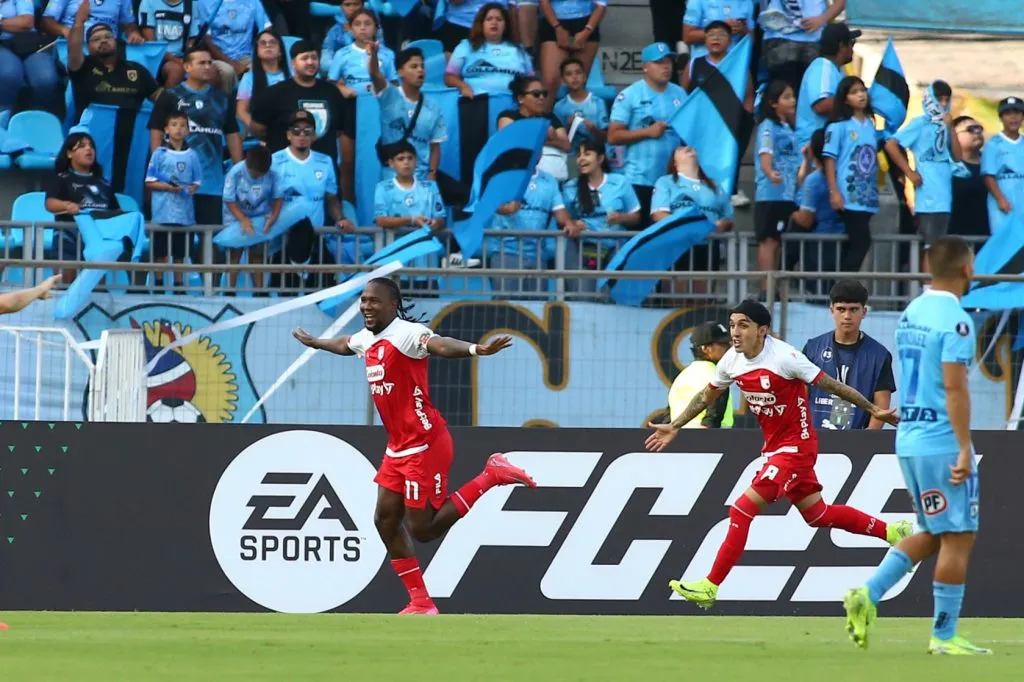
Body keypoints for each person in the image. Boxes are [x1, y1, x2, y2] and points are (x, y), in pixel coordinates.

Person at [292, 277, 537, 615]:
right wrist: (317, 342)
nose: (366, 306)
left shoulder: (407, 334)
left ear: (393, 305)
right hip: (398, 447)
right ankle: (421, 602)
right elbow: (345, 344)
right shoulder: (367, 338)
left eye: (374, 301)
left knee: (423, 529)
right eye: (363, 300)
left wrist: (475, 349)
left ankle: (491, 475)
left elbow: (440, 345)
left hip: (425, 444)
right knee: (385, 520)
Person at [644, 299, 911, 609]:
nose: (735, 332)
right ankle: (893, 531)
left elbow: (834, 386)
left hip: (796, 449)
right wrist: (675, 425)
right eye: (732, 325)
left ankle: (710, 585)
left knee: (741, 509)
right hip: (776, 448)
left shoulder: (786, 358)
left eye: (743, 325)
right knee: (818, 515)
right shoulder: (731, 360)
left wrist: (874, 409)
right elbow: (708, 393)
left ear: (762, 330)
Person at [843, 236, 991, 655]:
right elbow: (953, 387)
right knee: (959, 536)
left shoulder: (912, 312)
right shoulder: (956, 320)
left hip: (909, 436)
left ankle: (867, 595)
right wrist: (964, 447)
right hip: (941, 441)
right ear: (967, 269)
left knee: (931, 531)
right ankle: (944, 637)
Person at [148, 45, 244, 228]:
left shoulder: (222, 99)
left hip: (212, 185)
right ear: (187, 67)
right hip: (176, 183)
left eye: (210, 63)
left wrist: (240, 170)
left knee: (210, 241)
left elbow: (232, 135)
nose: (208, 66)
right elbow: (156, 132)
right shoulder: (170, 96)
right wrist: (160, 169)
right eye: (202, 63)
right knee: (176, 241)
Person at [884, 81, 963, 266]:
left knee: (942, 245)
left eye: (946, 99)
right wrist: (909, 172)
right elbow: (891, 144)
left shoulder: (946, 124)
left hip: (945, 195)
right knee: (931, 246)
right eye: (939, 99)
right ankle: (928, 285)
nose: (943, 104)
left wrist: (951, 128)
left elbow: (958, 156)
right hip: (928, 197)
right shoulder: (920, 124)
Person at [607, 42, 685, 226]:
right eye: (659, 62)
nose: (666, 66)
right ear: (645, 67)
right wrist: (647, 132)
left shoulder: (680, 94)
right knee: (640, 233)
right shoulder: (630, 95)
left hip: (671, 180)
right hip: (639, 179)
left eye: (668, 61)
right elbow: (613, 136)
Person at [802, 280, 896, 430]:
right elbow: (801, 397)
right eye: (841, 309)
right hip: (813, 438)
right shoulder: (812, 348)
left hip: (857, 441)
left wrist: (866, 440)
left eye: (853, 309)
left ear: (864, 312)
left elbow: (881, 405)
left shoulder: (879, 355)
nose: (847, 316)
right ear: (831, 310)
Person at [250, 40, 350, 174]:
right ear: (293, 63)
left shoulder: (332, 92)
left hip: (322, 171)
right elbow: (258, 129)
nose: (310, 62)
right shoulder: (274, 93)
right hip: (284, 171)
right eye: (304, 58)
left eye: (314, 58)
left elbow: (338, 130)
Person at [650, 145, 732, 293]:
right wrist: (688, 228)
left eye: (690, 146)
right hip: (677, 245)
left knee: (701, 303)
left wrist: (722, 225)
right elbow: (659, 214)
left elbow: (728, 217)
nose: (688, 147)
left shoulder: (715, 185)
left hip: (706, 247)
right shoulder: (666, 182)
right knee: (676, 300)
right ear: (674, 162)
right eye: (681, 148)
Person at [561, 138, 641, 290]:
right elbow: (566, 218)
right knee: (584, 295)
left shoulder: (620, 182)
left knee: (610, 296)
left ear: (600, 158)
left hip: (615, 248)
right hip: (585, 248)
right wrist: (573, 224)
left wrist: (621, 217)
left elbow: (636, 217)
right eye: (578, 155)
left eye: (587, 154)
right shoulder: (570, 187)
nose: (581, 159)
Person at [45, 131, 121, 281]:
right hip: (68, 239)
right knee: (67, 283)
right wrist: (67, 205)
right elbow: (50, 203)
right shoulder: (61, 179)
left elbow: (115, 209)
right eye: (82, 146)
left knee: (97, 286)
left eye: (91, 146)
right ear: (69, 153)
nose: (89, 149)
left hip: (98, 240)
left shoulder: (103, 183)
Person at [487, 159, 571, 295]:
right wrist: (504, 208)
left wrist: (569, 224)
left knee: (536, 312)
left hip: (538, 258)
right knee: (507, 311)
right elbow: (487, 205)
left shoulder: (549, 181)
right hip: (506, 255)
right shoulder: (503, 177)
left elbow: (560, 213)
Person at [823, 75, 879, 274]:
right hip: (848, 193)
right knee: (861, 242)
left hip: (868, 194)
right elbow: (829, 159)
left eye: (862, 90)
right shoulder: (838, 126)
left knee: (853, 244)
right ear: (845, 98)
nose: (861, 95)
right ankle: (843, 288)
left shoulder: (871, 126)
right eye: (854, 92)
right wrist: (834, 191)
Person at [67, 2, 161, 116]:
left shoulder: (136, 69)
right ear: (88, 47)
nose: (103, 41)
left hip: (129, 131)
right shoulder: (82, 68)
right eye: (96, 39)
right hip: (89, 132)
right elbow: (74, 48)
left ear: (116, 42)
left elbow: (160, 97)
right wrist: (79, 22)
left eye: (108, 37)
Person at [373, 47, 447, 182]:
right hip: (392, 176)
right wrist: (373, 53)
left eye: (422, 66)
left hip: (421, 177)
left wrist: (432, 174)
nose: (420, 70)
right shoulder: (389, 96)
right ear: (400, 72)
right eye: (414, 66)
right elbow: (374, 73)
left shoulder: (433, 107)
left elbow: (435, 146)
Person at [144, 110, 202, 284]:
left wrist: (191, 188)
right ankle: (159, 283)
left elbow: (197, 181)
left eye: (183, 125)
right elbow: (150, 182)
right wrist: (169, 188)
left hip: (184, 213)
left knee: (180, 253)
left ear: (188, 130)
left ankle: (179, 284)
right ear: (166, 129)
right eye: (174, 125)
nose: (178, 129)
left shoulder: (193, 155)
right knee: (160, 252)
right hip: (162, 212)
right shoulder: (159, 154)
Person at [753, 80, 799, 284]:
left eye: (793, 96)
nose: (792, 101)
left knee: (778, 241)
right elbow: (765, 155)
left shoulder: (788, 127)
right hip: (770, 194)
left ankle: (774, 287)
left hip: (787, 193)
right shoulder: (767, 127)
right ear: (773, 103)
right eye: (786, 97)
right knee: (768, 240)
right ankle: (766, 288)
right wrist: (769, 172)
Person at [221, 146, 283, 290]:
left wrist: (274, 216)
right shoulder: (235, 172)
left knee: (258, 256)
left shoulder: (274, 174)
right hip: (235, 216)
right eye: (255, 174)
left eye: (262, 174)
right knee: (234, 255)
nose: (258, 177)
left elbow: (279, 197)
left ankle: (259, 290)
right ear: (247, 165)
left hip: (260, 216)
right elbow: (229, 200)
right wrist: (242, 220)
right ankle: (230, 290)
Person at [760, 0, 847, 97]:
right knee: (784, 94)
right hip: (781, 39)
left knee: (810, 93)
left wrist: (821, 20)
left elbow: (841, 2)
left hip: (811, 39)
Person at [444, 4, 533, 97]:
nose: (494, 22)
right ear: (481, 24)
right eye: (489, 19)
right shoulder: (465, 46)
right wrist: (463, 87)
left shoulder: (518, 49)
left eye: (499, 19)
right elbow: (450, 77)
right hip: (477, 102)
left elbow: (531, 81)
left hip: (513, 103)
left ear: (505, 25)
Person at [795, 22, 858, 150]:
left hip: (827, 144)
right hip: (813, 148)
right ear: (842, 46)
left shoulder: (835, 70)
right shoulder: (822, 67)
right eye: (851, 43)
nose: (853, 48)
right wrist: (852, 99)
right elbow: (820, 105)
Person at [789, 127, 842, 276]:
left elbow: (806, 219)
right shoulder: (842, 175)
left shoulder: (816, 180)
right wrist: (807, 161)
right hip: (840, 238)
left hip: (821, 244)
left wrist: (788, 211)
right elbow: (802, 184)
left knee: (817, 291)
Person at [497, 75, 571, 180]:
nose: (541, 97)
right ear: (520, 98)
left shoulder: (550, 117)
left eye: (544, 94)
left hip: (552, 176)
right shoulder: (508, 117)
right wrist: (545, 137)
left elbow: (566, 145)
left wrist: (548, 140)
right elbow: (508, 143)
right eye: (536, 94)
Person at [536, 0, 605, 112]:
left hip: (587, 22)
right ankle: (542, 121)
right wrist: (558, 28)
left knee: (578, 81)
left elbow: (601, 5)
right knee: (549, 82)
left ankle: (576, 123)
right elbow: (544, 2)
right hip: (554, 20)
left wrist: (586, 32)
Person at [0, 0, 62, 115]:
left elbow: (27, 22)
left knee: (46, 79)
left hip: (31, 44)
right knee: (9, 75)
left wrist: (1, 23)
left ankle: (39, 119)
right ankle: (4, 117)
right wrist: (10, 23)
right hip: (3, 45)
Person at [197, 0, 271, 94]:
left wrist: (258, 56)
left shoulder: (253, 2)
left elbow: (266, 29)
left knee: (261, 70)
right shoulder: (204, 3)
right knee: (227, 71)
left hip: (246, 56)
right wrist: (232, 63)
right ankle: (226, 107)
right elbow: (206, 40)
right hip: (217, 58)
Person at [667, 321, 733, 428]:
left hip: (678, 437)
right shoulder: (717, 375)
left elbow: (668, 415)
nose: (729, 348)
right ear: (705, 348)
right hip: (712, 438)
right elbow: (713, 418)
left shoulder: (681, 377)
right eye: (723, 344)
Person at [373, 141, 445, 232]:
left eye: (410, 158)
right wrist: (412, 220)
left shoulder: (430, 187)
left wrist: (436, 223)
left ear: (416, 161)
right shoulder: (383, 188)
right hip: (396, 244)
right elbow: (380, 220)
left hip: (424, 243)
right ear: (391, 163)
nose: (406, 162)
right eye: (400, 159)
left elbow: (441, 218)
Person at [328, 9, 397, 97]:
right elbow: (331, 84)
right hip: (351, 104)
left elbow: (395, 83)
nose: (362, 28)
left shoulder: (388, 54)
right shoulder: (341, 54)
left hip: (382, 103)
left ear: (376, 28)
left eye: (367, 24)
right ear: (350, 28)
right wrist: (342, 89)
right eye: (357, 24)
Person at [982, 96, 1024, 235]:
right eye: (1008, 114)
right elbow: (989, 175)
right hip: (1003, 205)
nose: (1013, 118)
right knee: (1004, 242)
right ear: (1001, 117)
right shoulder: (993, 144)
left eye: (1017, 113)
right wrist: (1000, 199)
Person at [236, 30, 289, 134]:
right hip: (259, 130)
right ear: (257, 51)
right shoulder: (249, 77)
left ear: (280, 51)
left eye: (272, 42)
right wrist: (257, 129)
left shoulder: (292, 75)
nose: (268, 45)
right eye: (263, 43)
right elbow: (241, 111)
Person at [138, 0, 199, 86]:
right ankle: (165, 99)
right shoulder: (148, 2)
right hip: (157, 57)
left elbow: (192, 40)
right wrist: (179, 62)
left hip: (183, 57)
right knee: (176, 71)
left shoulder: (191, 4)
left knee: (210, 70)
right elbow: (151, 43)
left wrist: (190, 60)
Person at [552, 57, 608, 151]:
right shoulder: (559, 107)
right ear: (563, 80)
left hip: (595, 155)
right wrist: (568, 126)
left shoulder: (598, 103)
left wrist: (594, 129)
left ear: (585, 77)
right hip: (570, 157)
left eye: (578, 72)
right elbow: (557, 140)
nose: (574, 77)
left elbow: (608, 136)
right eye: (569, 74)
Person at [949, 116, 989, 242]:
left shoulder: (992, 163)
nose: (977, 132)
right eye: (970, 129)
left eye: (979, 129)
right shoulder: (947, 166)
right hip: (956, 237)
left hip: (987, 236)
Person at [320, 0, 385, 77]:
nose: (352, 8)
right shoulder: (334, 31)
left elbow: (383, 57)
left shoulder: (375, 27)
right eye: (347, 5)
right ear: (341, 7)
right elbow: (324, 65)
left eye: (356, 4)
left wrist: (350, 34)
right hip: (342, 77)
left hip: (370, 75)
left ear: (363, 6)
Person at [682, 0, 753, 63]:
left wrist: (742, 29)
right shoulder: (698, 1)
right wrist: (721, 30)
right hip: (704, 67)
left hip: (735, 66)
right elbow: (687, 37)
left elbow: (752, 39)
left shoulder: (747, 2)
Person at [42, 0, 143, 42]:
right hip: (74, 45)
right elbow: (47, 20)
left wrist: (133, 33)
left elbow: (129, 24)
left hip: (109, 46)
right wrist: (64, 30)